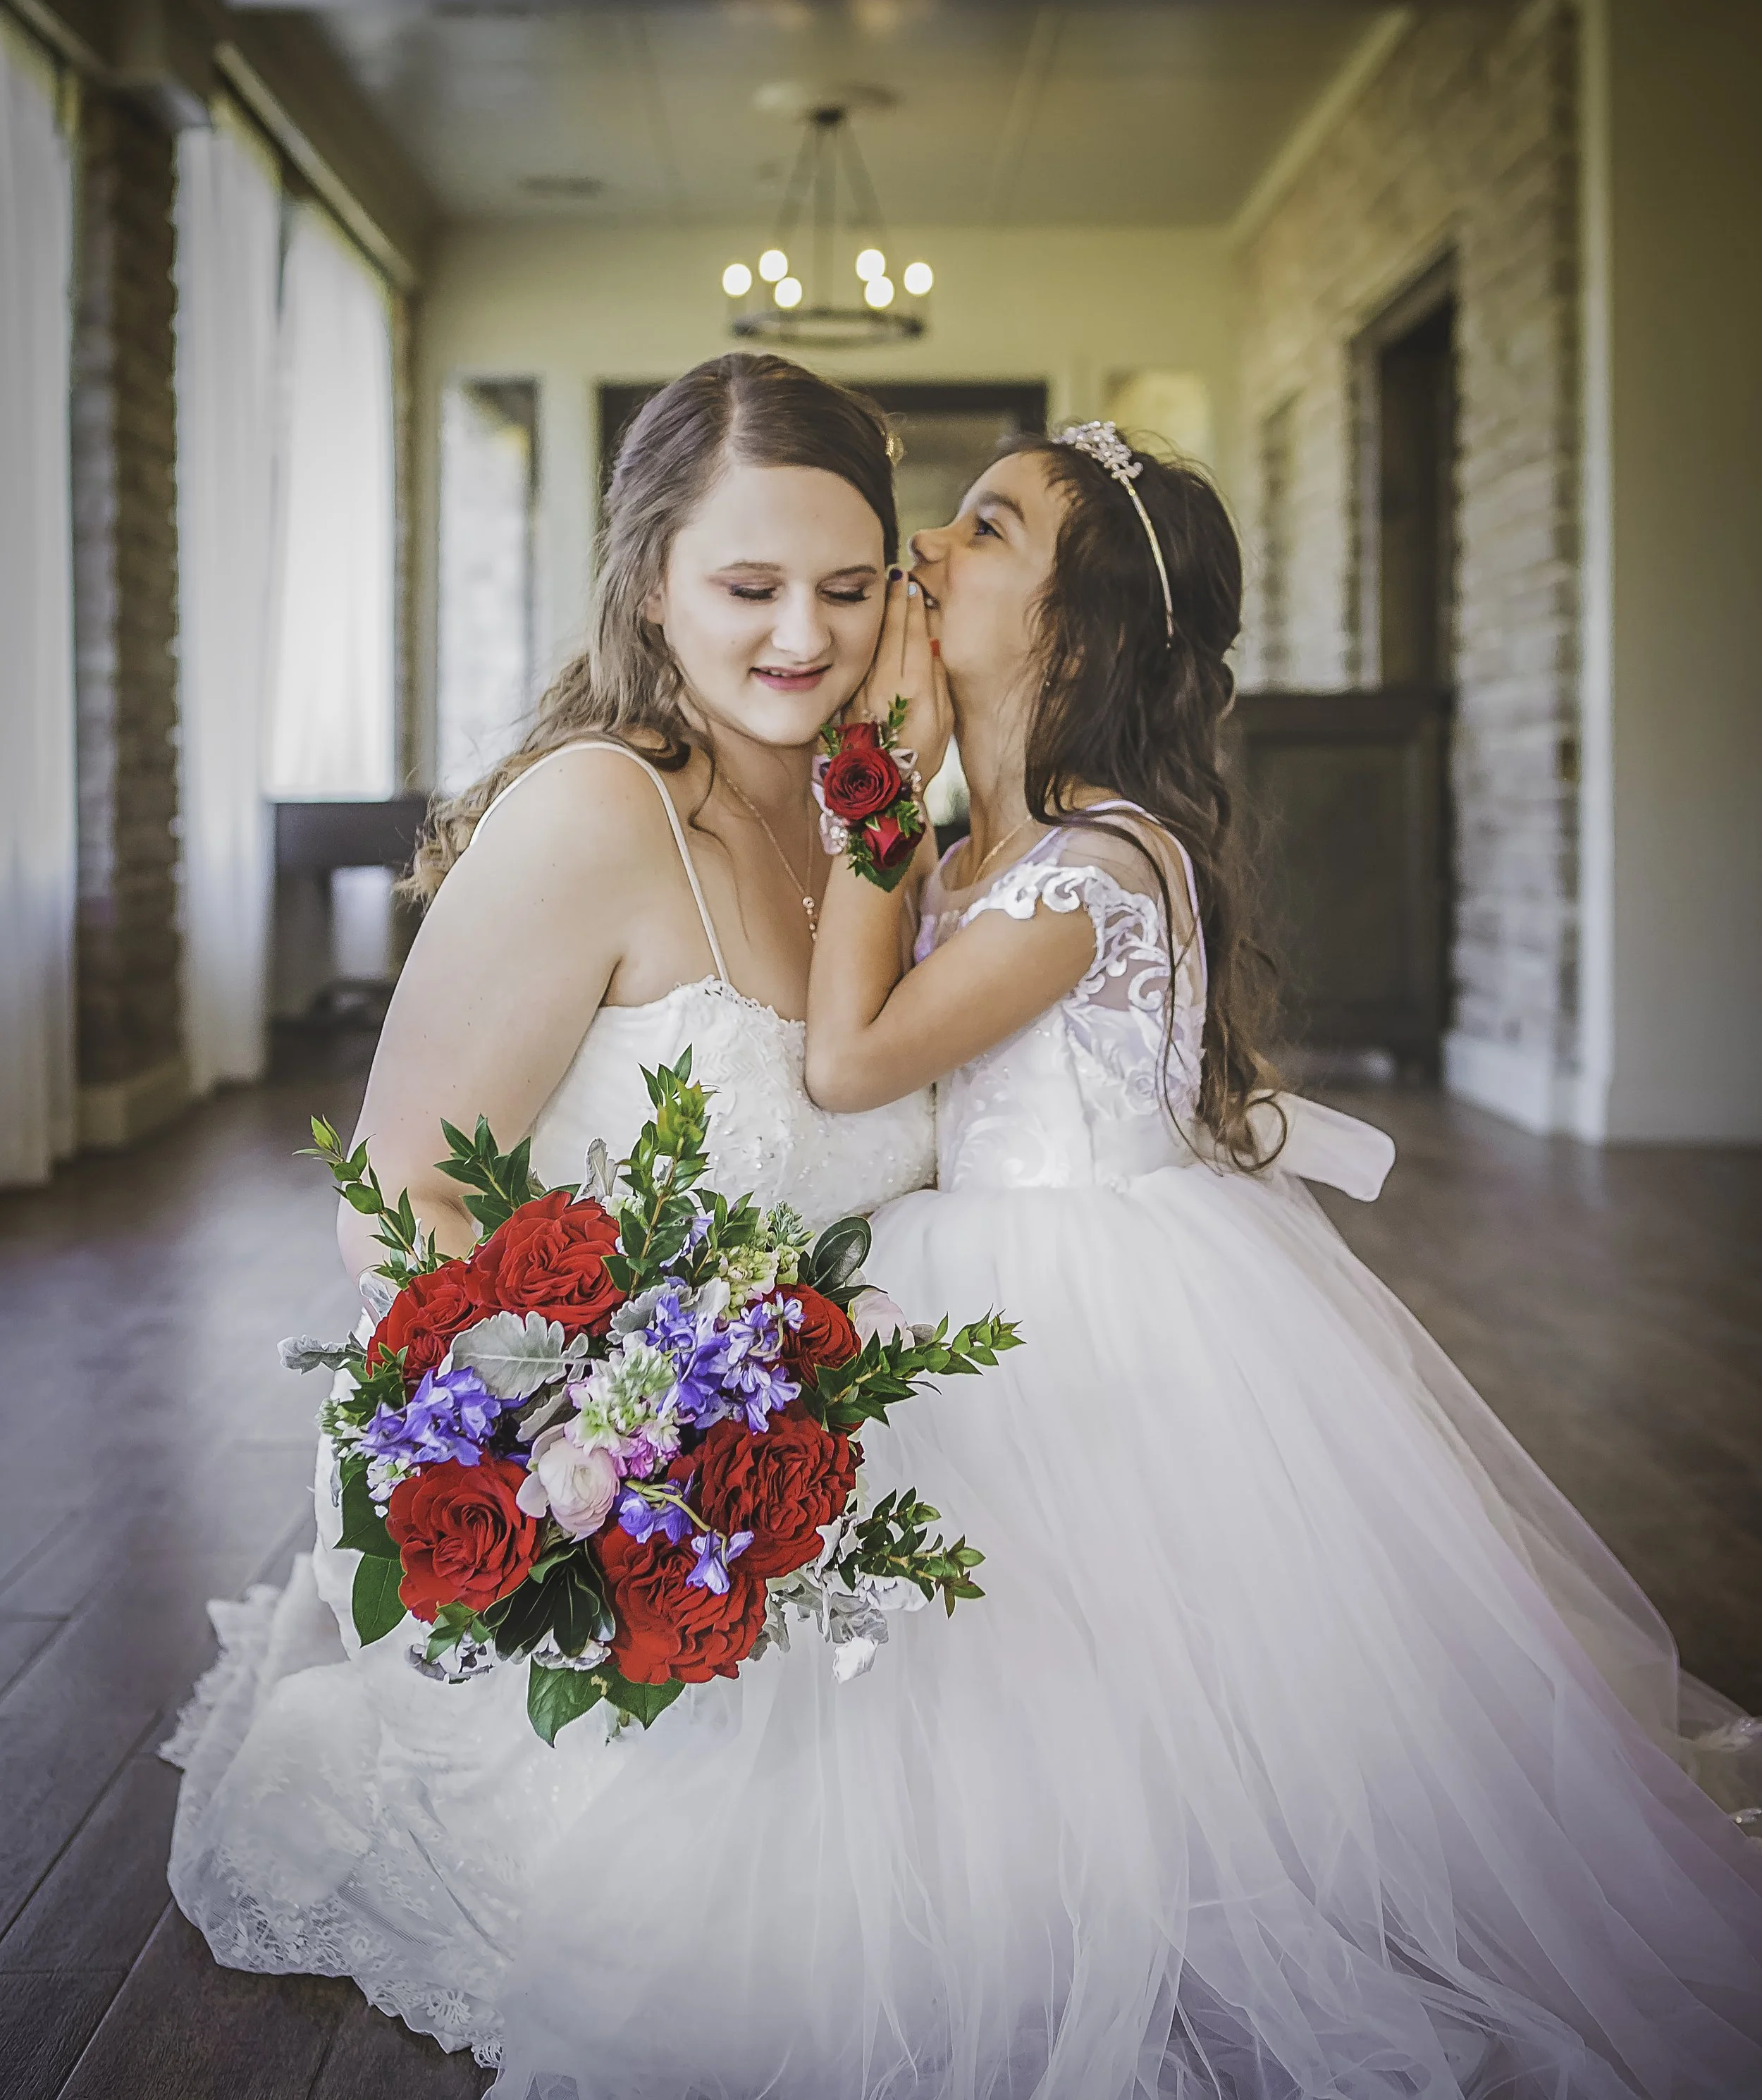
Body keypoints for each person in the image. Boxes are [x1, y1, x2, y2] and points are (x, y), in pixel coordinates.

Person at [478, 431, 1762, 2100]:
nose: (928, 540)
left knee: (1125, 1675)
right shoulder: (972, 857)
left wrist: (871, 772)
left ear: (1073, 635)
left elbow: (851, 1063)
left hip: (1100, 1312)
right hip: (979, 1275)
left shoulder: (1101, 861)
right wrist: (908, 810)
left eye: (989, 525)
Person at [162, 352, 934, 2053]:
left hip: (804, 1441)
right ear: (652, 584)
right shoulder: (596, 812)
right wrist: (585, 1449)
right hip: (552, 1453)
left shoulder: (869, 819)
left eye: (846, 586)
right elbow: (396, 1204)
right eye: (747, 587)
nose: (801, 634)